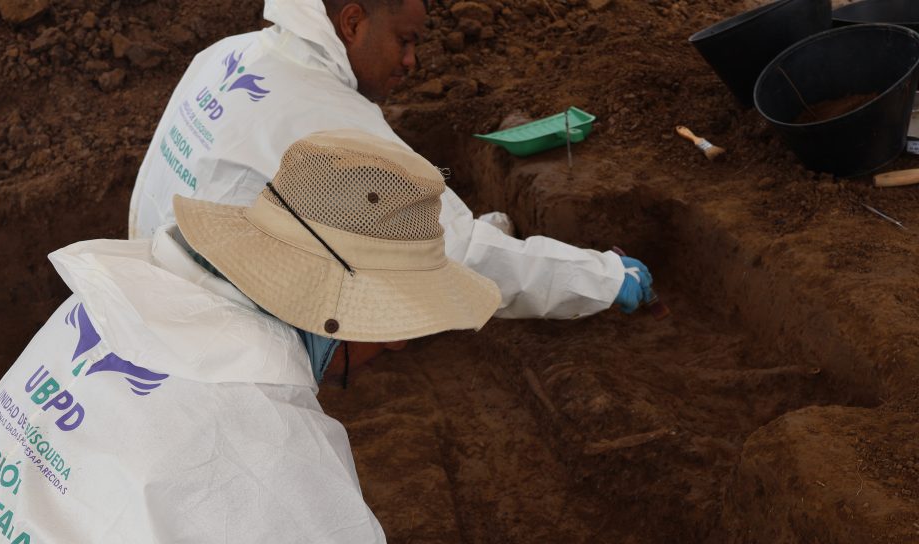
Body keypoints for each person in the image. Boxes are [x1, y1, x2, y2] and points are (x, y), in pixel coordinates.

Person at [0, 130, 537, 544]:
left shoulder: (103, 308)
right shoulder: (264, 434)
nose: (395, 343)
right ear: (347, 311)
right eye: (396, 320)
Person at [129, 0, 655, 321]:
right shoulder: (331, 124)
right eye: (404, 40)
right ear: (353, 21)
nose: (411, 61)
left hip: (144, 281)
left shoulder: (230, 52)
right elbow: (452, 254)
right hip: (222, 330)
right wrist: (602, 277)